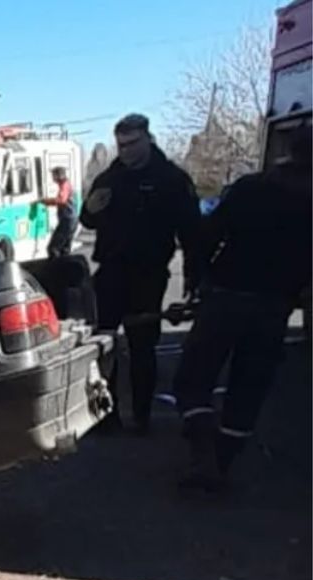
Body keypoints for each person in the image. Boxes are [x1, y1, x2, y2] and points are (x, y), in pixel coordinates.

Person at [173, 124, 312, 492]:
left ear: (288, 150)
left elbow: (207, 234)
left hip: (226, 296)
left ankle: (202, 454)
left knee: (194, 377)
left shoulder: (251, 187)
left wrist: (198, 279)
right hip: (275, 307)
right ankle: (223, 461)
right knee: (249, 385)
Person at [79, 113, 200, 434]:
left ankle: (142, 415)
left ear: (148, 139)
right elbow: (87, 220)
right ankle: (106, 414)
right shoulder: (110, 178)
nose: (126, 151)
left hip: (148, 274)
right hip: (111, 272)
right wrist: (90, 209)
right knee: (104, 342)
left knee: (142, 345)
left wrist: (193, 276)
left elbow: (192, 233)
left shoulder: (171, 179)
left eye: (132, 144)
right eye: (121, 145)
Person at [38, 166, 79, 258]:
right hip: (72, 219)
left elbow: (61, 200)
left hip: (67, 220)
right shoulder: (66, 184)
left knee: (53, 248)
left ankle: (56, 269)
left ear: (59, 175)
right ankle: (65, 268)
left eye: (54, 175)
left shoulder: (64, 185)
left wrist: (45, 201)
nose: (52, 178)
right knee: (65, 249)